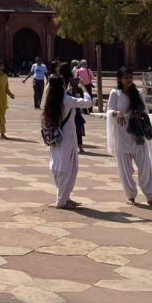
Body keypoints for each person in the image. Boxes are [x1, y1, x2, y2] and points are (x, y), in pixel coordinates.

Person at [107, 67, 152, 206]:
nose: (129, 80)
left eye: (130, 77)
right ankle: (131, 195)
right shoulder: (115, 93)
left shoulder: (137, 93)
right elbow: (109, 111)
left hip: (137, 135)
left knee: (145, 167)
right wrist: (117, 113)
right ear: (120, 79)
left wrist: (139, 114)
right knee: (125, 169)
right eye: (126, 77)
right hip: (122, 135)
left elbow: (145, 110)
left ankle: (150, 196)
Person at [42, 75, 92, 209]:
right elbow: (88, 102)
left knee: (57, 166)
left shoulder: (50, 100)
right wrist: (83, 87)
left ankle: (64, 196)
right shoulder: (67, 100)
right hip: (68, 138)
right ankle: (62, 200)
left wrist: (67, 92)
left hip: (55, 137)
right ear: (62, 86)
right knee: (68, 168)